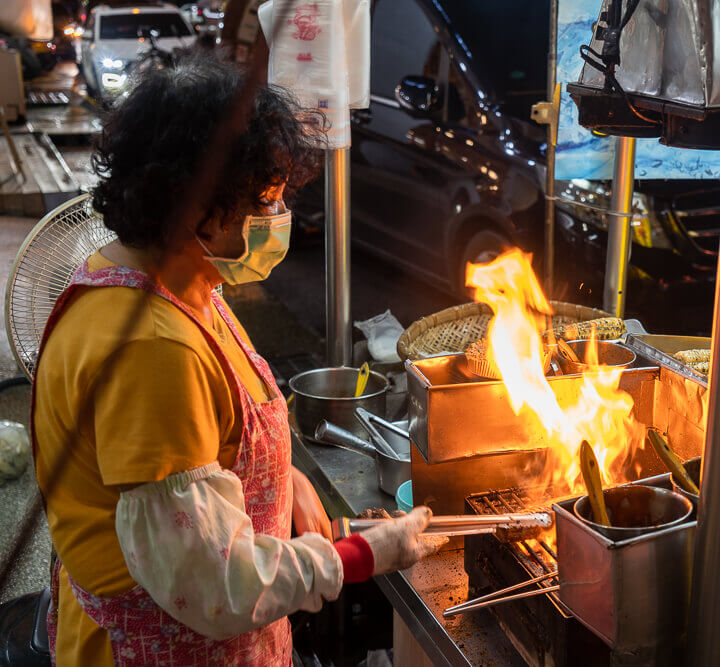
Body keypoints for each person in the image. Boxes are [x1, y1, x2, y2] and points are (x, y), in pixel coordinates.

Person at [31, 53, 443, 665]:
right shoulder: (151, 347)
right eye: (266, 199)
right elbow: (211, 584)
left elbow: (211, 447)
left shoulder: (173, 281)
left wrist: (284, 482)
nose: (279, 217)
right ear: (196, 204)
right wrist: (366, 554)